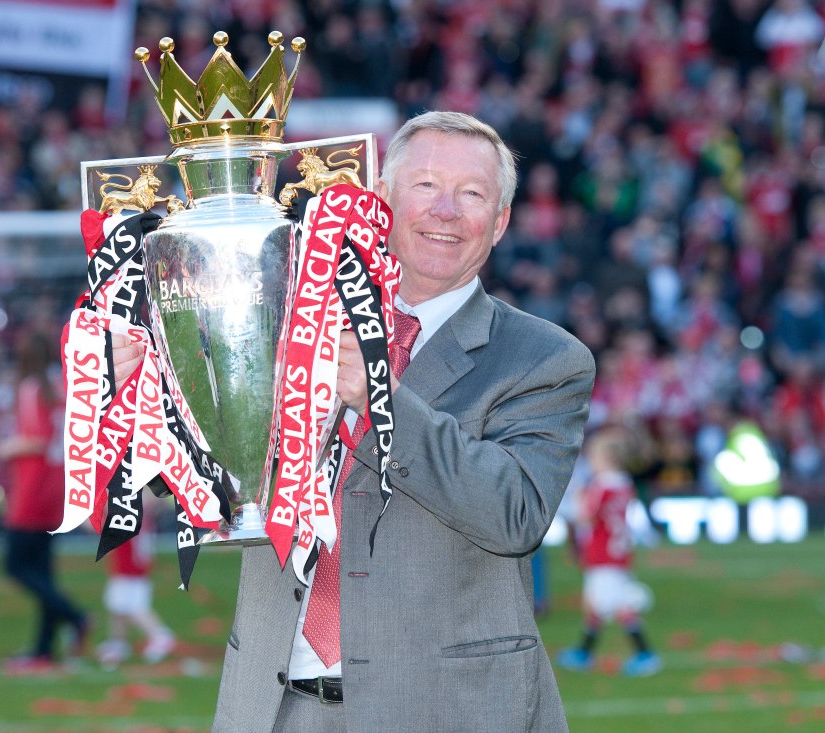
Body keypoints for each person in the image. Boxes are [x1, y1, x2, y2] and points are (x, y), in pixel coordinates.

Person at [113, 111, 594, 731]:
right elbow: (207, 480)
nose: (444, 210)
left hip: (447, 711)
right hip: (275, 708)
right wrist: (145, 401)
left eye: (471, 194)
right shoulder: (282, 313)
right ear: (380, 199)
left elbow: (515, 516)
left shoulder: (544, 357)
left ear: (499, 223)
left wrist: (382, 403)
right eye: (424, 185)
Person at [0, 330, 89, 672]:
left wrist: (8, 447)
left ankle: (75, 617)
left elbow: (34, 439)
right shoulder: (61, 386)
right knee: (44, 572)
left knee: (15, 566)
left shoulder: (32, 388)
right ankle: (43, 649)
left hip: (33, 488)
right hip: (56, 486)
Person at [557, 426, 661, 677]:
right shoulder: (625, 484)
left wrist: (575, 497)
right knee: (596, 605)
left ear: (606, 460)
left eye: (593, 458)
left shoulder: (601, 487)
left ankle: (644, 653)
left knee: (618, 606)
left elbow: (585, 517)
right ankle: (584, 652)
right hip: (617, 553)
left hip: (602, 554)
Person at [96, 498, 176, 667]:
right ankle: (118, 642)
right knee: (117, 606)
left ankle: (160, 636)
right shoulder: (137, 509)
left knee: (131, 607)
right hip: (132, 565)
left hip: (129, 567)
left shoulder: (127, 511)